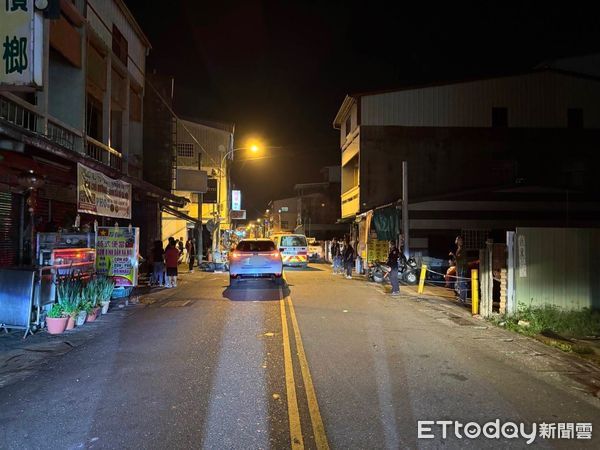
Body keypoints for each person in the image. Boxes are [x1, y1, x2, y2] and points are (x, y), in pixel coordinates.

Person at [450, 235, 467, 303]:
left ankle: (463, 299)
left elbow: (460, 259)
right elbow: (457, 259)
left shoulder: (462, 249)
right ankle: (461, 298)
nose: (457, 241)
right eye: (457, 240)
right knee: (459, 283)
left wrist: (453, 255)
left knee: (461, 283)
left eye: (459, 240)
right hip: (458, 267)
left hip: (462, 268)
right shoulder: (459, 248)